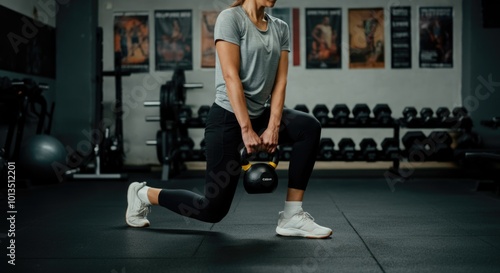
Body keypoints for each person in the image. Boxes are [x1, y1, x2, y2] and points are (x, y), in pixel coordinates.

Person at [125, 0, 332, 239]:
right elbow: (230, 76)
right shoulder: (230, 19)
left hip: (261, 114)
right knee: (211, 209)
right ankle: (142, 193)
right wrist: (246, 129)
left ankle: (292, 216)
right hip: (228, 118)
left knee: (308, 127)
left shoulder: (280, 27)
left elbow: (280, 82)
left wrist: (273, 126)